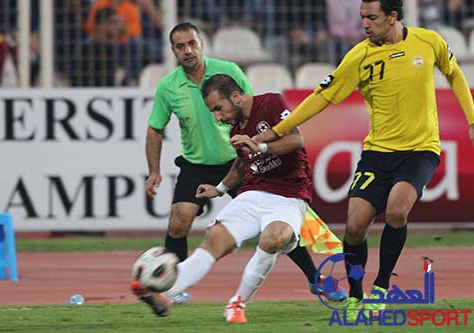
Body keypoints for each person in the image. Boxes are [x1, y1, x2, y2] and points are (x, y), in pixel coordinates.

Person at [253, 0, 474, 318]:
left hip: (420, 150)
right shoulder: (359, 55)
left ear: (393, 16)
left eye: (372, 18)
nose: (365, 24)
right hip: (377, 153)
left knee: (397, 211)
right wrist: (276, 131)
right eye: (362, 18)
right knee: (355, 227)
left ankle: (381, 287)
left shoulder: (429, 42)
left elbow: (454, 74)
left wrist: (472, 120)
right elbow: (322, 96)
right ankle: (357, 294)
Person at [144, 22, 346, 305]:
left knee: (277, 228)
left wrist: (259, 145)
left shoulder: (229, 72)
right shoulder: (168, 87)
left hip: (239, 159)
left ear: (201, 44)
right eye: (180, 46)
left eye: (192, 43)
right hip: (198, 163)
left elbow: (252, 113)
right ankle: (172, 287)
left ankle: (315, 278)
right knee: (179, 220)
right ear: (173, 51)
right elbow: (155, 128)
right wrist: (155, 171)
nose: (187, 50)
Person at [134, 73, 314, 322]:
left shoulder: (272, 102)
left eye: (219, 108)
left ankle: (237, 303)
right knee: (215, 239)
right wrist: (218, 189)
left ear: (237, 97)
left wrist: (260, 145)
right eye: (213, 112)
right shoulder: (235, 129)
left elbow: (296, 139)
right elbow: (242, 164)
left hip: (288, 196)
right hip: (252, 193)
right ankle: (164, 291)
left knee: (273, 239)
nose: (218, 117)